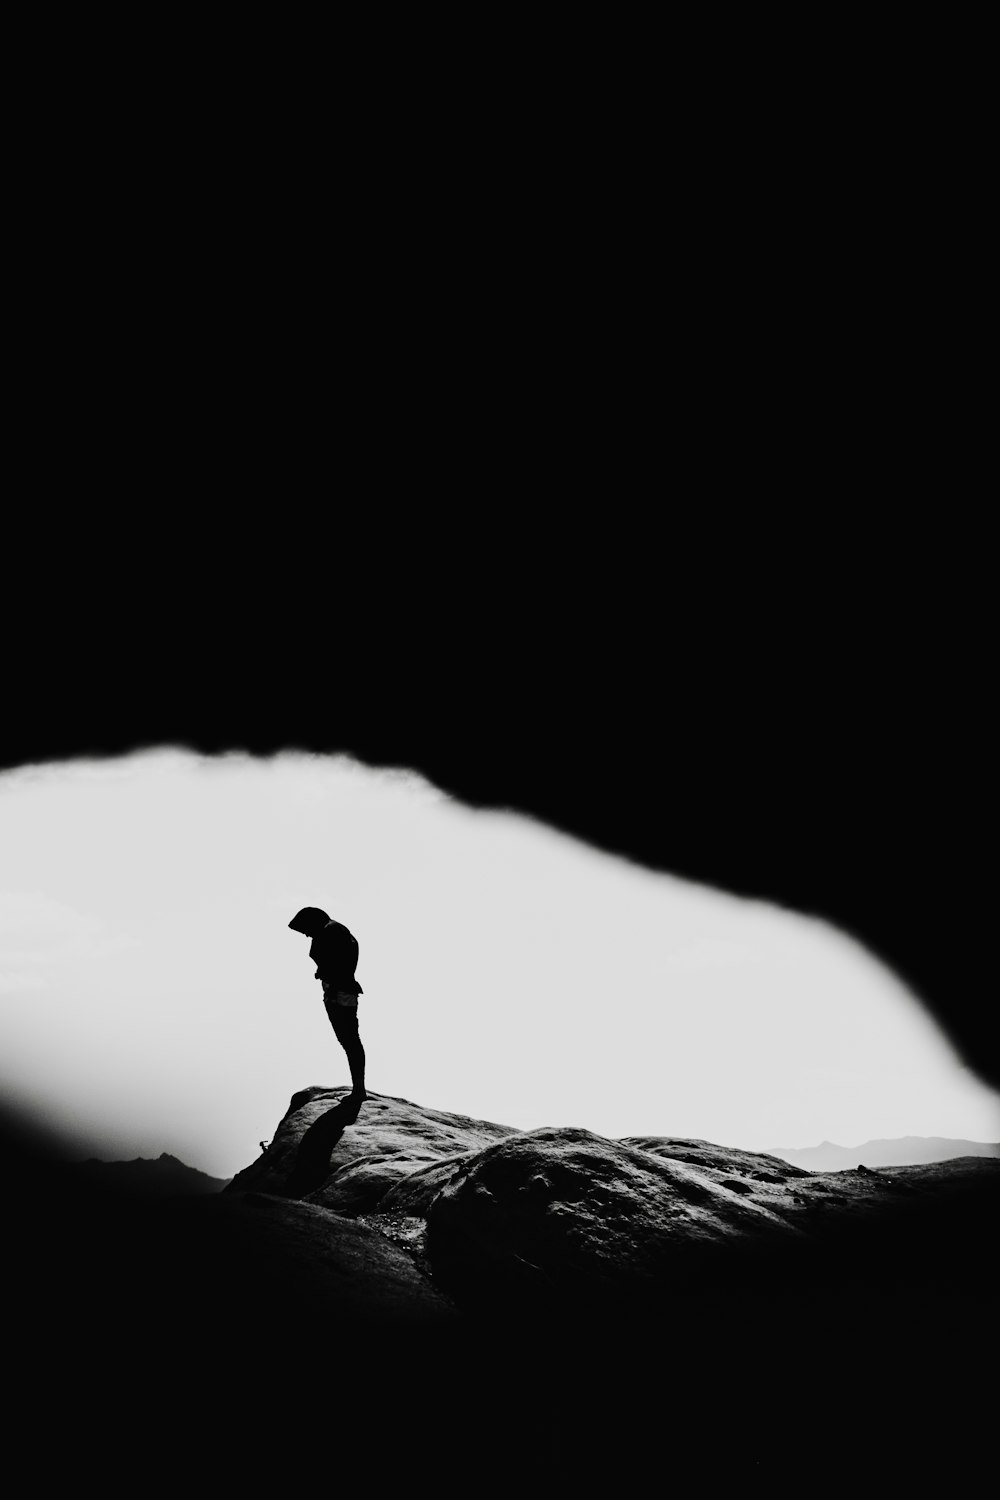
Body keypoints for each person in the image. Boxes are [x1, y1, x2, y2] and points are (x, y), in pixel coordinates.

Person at [288, 906, 366, 1100]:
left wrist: (329, 978)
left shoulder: (330, 931)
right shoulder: (334, 930)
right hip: (340, 990)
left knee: (350, 1040)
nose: (306, 935)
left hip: (340, 992)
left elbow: (339, 962)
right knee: (349, 1041)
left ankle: (359, 1090)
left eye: (305, 929)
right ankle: (359, 1088)